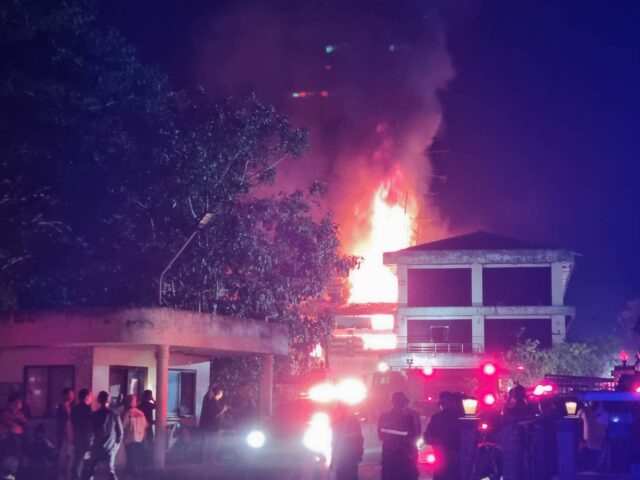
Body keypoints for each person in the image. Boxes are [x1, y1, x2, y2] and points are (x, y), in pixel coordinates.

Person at [377, 391, 421, 480]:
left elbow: (380, 436)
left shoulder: (383, 416)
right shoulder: (410, 417)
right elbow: (416, 434)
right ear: (405, 402)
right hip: (406, 455)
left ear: (391, 402)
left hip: (389, 454)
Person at [81, 391, 122, 480]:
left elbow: (90, 432)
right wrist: (116, 444)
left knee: (90, 470)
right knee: (111, 471)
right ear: (109, 400)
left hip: (97, 446)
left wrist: (89, 446)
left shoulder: (94, 415)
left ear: (98, 400)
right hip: (110, 446)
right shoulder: (114, 414)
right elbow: (120, 432)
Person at [424, 392, 461, 480]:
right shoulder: (462, 417)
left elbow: (427, 437)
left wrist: (437, 443)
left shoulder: (437, 418)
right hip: (457, 459)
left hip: (442, 458)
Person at [331, 402, 364, 480]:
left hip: (341, 456)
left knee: (342, 476)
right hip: (351, 454)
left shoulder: (335, 424)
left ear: (339, 410)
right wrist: (359, 453)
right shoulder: (355, 421)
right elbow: (359, 439)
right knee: (352, 475)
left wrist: (333, 460)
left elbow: (334, 444)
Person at [0, 394, 28, 479]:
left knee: (14, 463)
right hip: (7, 443)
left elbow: (25, 424)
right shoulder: (5, 413)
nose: (20, 404)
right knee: (7, 463)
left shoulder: (19, 414)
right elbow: (11, 427)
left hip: (16, 444)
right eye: (18, 402)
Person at [121, 395, 148, 480]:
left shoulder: (126, 413)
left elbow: (122, 426)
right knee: (134, 457)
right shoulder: (141, 413)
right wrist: (145, 438)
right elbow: (145, 426)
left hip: (129, 438)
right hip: (139, 439)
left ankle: (134, 475)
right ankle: (127, 473)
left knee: (130, 457)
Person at [199, 385, 228, 464]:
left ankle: (207, 460)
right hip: (211, 426)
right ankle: (208, 460)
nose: (222, 394)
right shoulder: (213, 402)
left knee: (209, 443)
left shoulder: (213, 402)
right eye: (221, 393)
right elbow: (214, 416)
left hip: (211, 426)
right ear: (219, 393)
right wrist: (223, 410)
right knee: (210, 443)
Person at [71, 389, 93, 480]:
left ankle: (74, 477)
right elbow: (90, 425)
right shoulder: (87, 409)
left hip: (77, 437)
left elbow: (72, 422)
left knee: (77, 459)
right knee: (87, 460)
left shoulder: (75, 408)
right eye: (90, 396)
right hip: (87, 440)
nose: (91, 398)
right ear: (87, 396)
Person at [56, 387, 75, 480]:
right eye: (70, 394)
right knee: (62, 458)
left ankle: (67, 477)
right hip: (64, 437)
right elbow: (61, 424)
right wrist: (64, 435)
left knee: (69, 459)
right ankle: (60, 477)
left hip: (70, 437)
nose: (72, 396)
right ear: (65, 395)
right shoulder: (61, 408)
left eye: (72, 394)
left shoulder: (70, 407)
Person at [138, 390, 155, 465]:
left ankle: (143, 459)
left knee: (143, 443)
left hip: (141, 426)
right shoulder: (149, 405)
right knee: (149, 442)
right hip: (148, 425)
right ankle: (148, 460)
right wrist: (153, 399)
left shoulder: (140, 405)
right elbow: (158, 406)